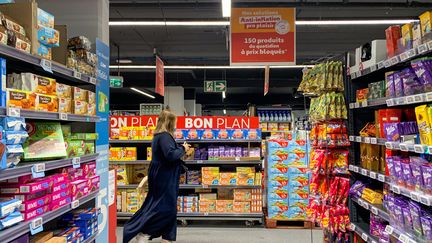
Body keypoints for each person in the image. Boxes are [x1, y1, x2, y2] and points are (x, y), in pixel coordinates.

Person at [123, 110, 190, 243]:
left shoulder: (159, 136)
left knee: (166, 206)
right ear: (170, 122)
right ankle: (144, 232)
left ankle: (167, 237)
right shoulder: (164, 136)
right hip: (164, 177)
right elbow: (170, 155)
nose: (175, 125)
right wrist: (183, 149)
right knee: (166, 208)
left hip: (162, 174)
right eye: (174, 122)